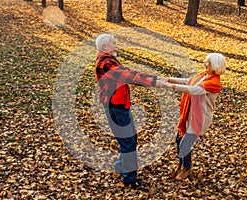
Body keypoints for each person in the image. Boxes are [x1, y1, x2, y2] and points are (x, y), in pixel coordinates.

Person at [94, 33, 169, 189]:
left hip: (121, 106)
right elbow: (127, 76)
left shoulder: (110, 60)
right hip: (115, 107)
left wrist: (155, 78)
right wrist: (155, 82)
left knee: (130, 138)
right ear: (104, 47)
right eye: (113, 43)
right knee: (128, 141)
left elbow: (130, 72)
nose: (116, 45)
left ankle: (121, 167)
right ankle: (129, 179)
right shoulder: (105, 63)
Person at [168, 53, 226, 180]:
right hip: (189, 113)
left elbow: (193, 90)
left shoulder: (214, 83)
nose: (205, 65)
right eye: (205, 62)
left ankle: (186, 168)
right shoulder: (202, 76)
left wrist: (172, 87)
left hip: (200, 118)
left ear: (216, 66)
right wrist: (170, 79)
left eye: (208, 63)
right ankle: (181, 164)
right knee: (179, 139)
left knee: (185, 144)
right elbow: (188, 81)